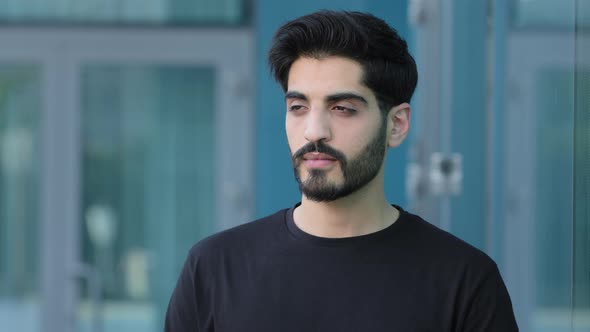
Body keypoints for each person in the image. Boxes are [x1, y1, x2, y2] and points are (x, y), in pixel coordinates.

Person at [164, 10, 518, 331]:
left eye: (342, 108)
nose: (314, 130)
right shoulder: (213, 269)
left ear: (396, 124)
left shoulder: (465, 281)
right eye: (299, 106)